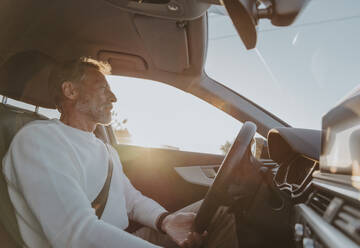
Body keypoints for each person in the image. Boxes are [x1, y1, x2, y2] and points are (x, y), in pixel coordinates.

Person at [2, 57, 207, 248]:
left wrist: (165, 220)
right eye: (102, 88)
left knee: (219, 213)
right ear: (70, 91)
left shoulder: (105, 149)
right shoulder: (39, 141)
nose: (113, 97)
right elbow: (77, 235)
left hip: (113, 239)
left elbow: (132, 200)